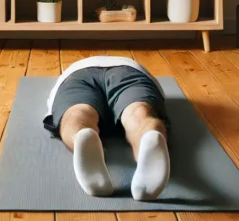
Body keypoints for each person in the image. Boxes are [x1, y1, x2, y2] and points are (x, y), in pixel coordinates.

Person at [44, 56, 171, 201]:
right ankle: (148, 136)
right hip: (129, 70)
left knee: (76, 114)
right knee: (138, 114)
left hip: (77, 74)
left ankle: (81, 136)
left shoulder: (75, 68)